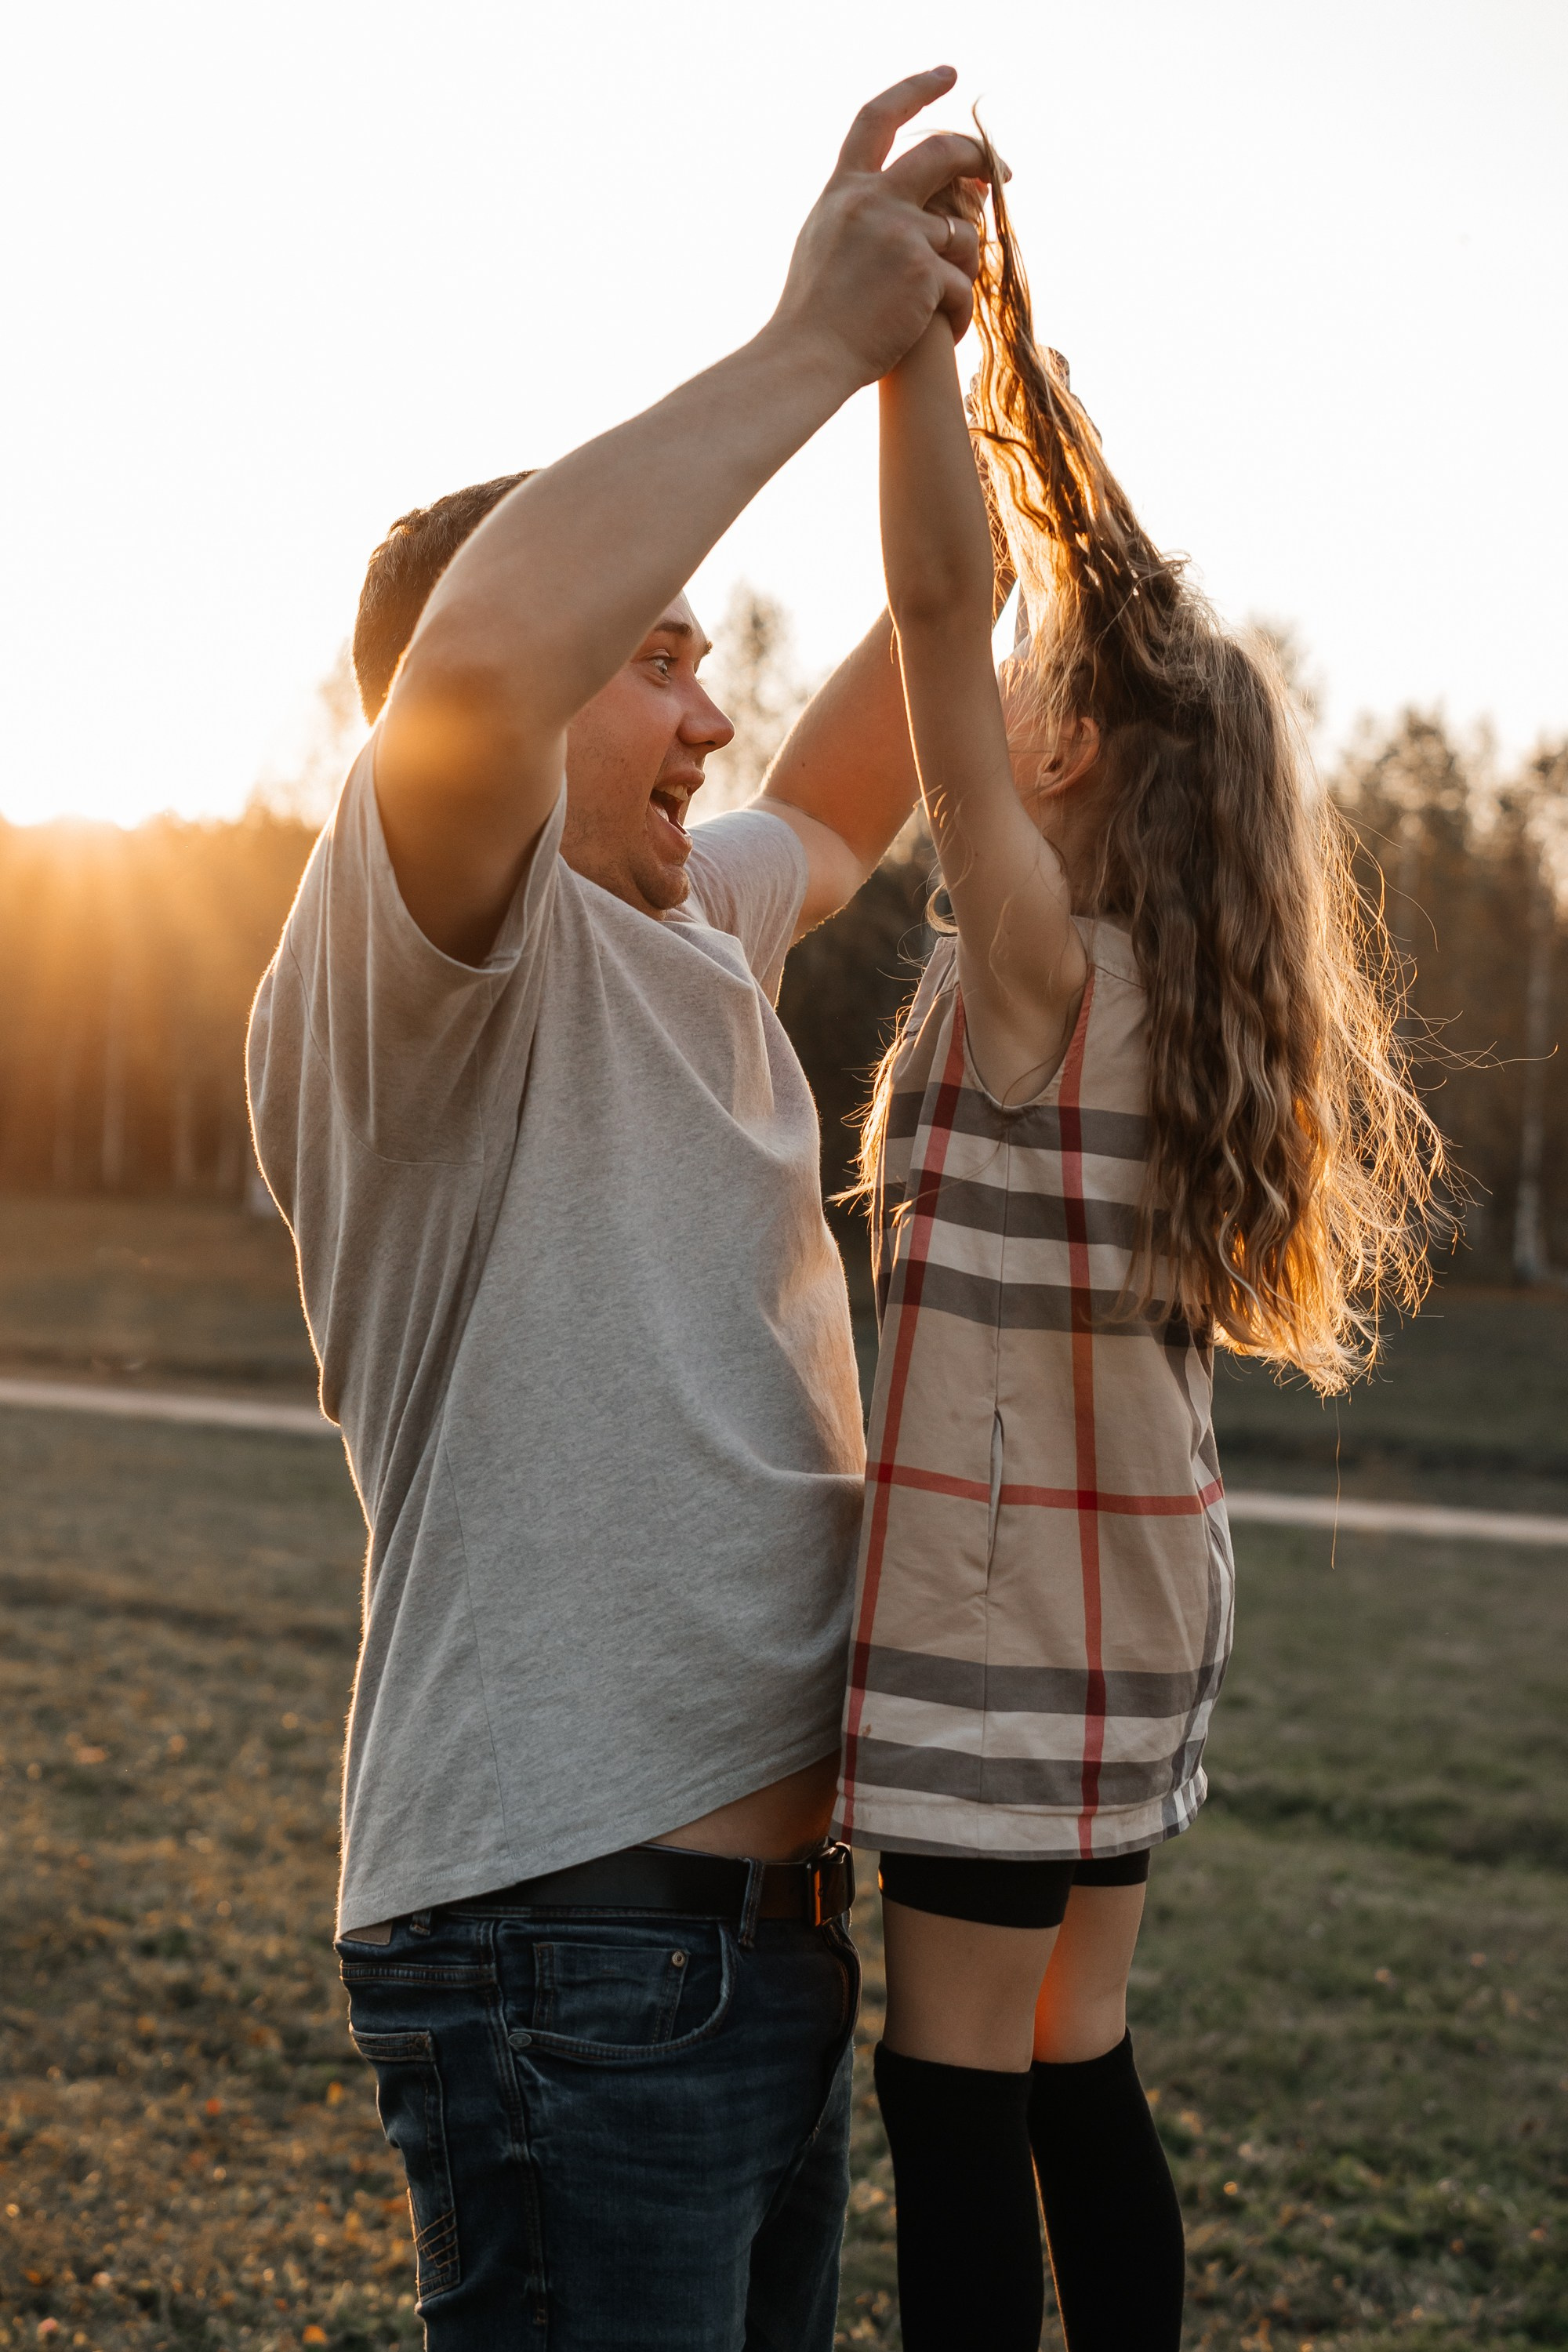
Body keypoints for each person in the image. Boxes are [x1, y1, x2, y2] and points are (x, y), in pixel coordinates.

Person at [246, 72, 992, 2352]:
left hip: (746, 1951)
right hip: (571, 1943)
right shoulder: (430, 958)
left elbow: (881, 752)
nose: (707, 701)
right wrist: (798, 339)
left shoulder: (694, 930)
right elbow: (477, 669)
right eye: (653, 651)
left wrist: (951, 378)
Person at [833, 154, 1442, 2351]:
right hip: (1143, 1600)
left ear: (1066, 749)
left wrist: (912, 365)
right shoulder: (1203, 1009)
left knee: (950, 2090)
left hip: (1010, 1612)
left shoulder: (1042, 972)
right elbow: (1017, 616)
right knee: (1077, 2057)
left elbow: (924, 616)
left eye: (1024, 681)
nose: (985, 693)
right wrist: (1017, 388)